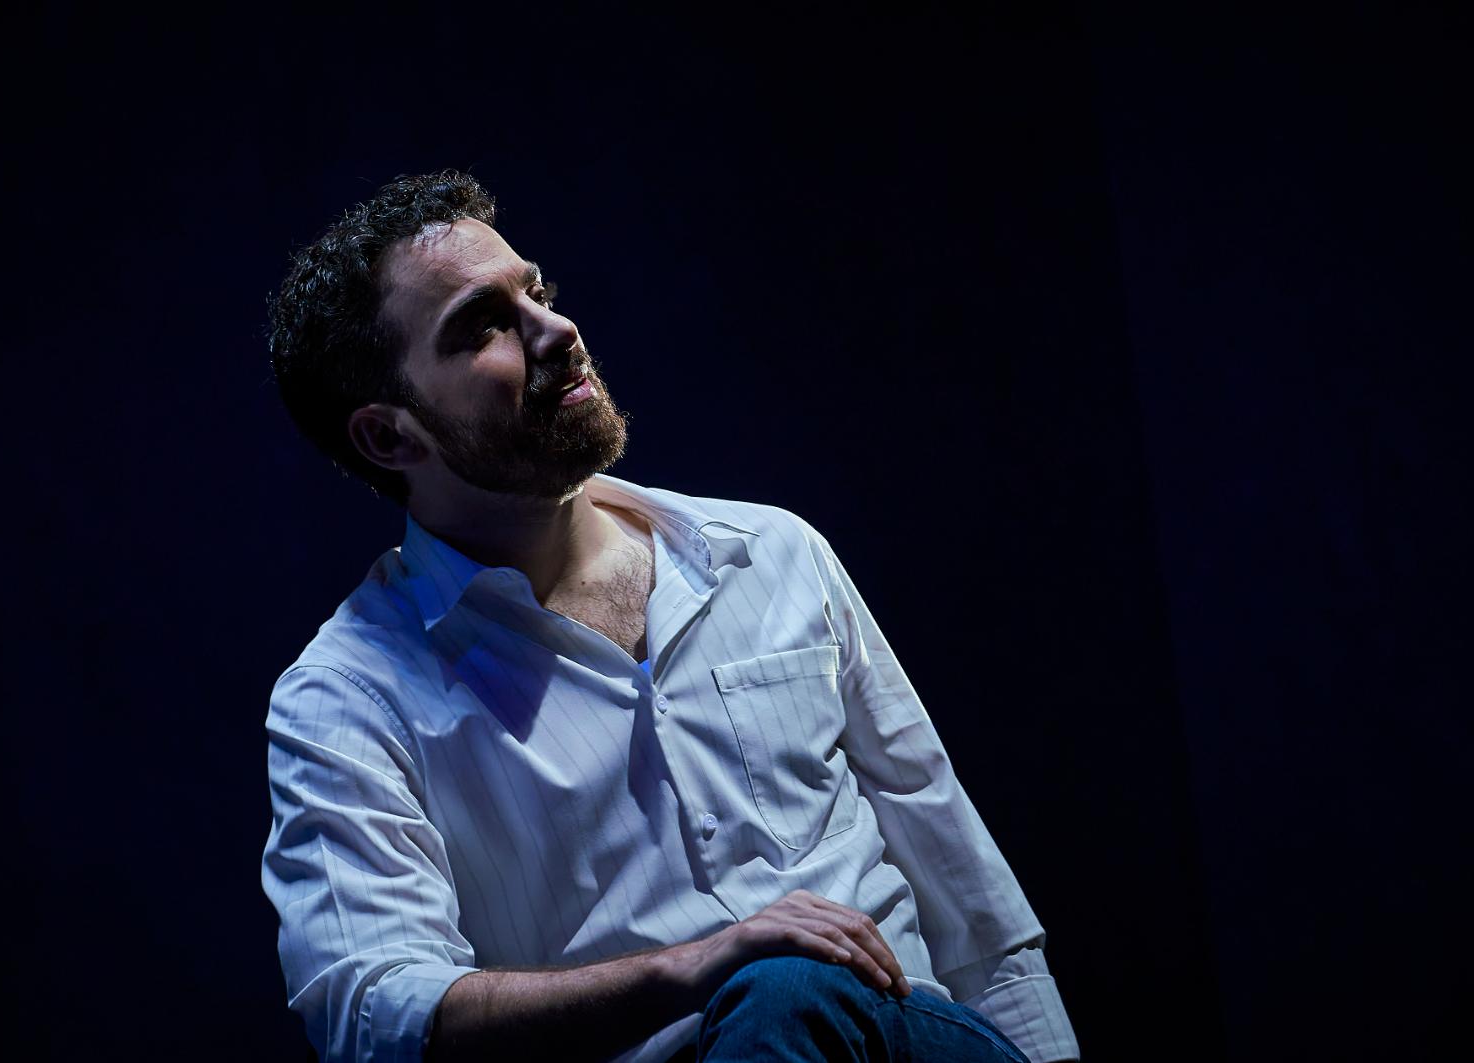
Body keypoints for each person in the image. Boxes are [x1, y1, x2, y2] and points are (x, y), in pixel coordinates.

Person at [260, 170, 1081, 1063]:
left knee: (790, 988)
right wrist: (686, 970)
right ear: (389, 435)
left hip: (905, 1037)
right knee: (771, 990)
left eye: (537, 292)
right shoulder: (348, 699)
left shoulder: (773, 553)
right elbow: (376, 1011)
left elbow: (977, 917)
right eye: (485, 324)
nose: (557, 330)